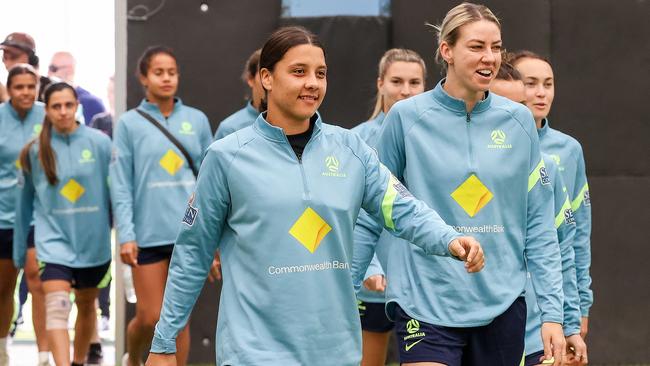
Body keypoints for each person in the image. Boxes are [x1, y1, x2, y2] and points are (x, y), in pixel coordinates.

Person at [145, 26, 484, 366]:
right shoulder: (226, 157)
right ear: (266, 77)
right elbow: (192, 254)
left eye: (320, 73)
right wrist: (163, 343)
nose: (312, 83)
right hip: (253, 353)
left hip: (335, 352)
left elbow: (403, 209)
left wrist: (450, 240)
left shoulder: (352, 149)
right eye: (298, 71)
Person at [352, 3, 568, 366]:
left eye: (496, 47)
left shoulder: (518, 120)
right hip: (424, 300)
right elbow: (372, 210)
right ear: (446, 50)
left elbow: (539, 225)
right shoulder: (406, 118)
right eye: (477, 46)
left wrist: (553, 315)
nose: (489, 57)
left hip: (501, 304)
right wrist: (347, 291)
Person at [111, 46, 213, 366]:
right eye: (158, 72)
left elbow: (209, 182)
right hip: (146, 236)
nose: (166, 78)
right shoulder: (128, 124)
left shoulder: (196, 120)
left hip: (188, 235)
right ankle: (133, 357)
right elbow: (121, 184)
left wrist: (210, 233)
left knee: (177, 317)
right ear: (143, 78)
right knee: (150, 315)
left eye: (172, 72)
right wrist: (126, 235)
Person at [491, 61, 588, 365]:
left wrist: (573, 315)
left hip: (540, 320)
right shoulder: (457, 158)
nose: (540, 94)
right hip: (479, 317)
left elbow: (569, 243)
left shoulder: (559, 156)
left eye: (548, 83)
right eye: (531, 83)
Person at [13, 82, 112, 366]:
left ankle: (78, 361)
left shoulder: (100, 143)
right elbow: (23, 208)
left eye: (69, 105)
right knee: (57, 308)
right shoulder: (33, 151)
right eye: (56, 106)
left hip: (94, 244)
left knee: (85, 306)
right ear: (48, 110)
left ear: (77, 106)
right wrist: (21, 251)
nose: (63, 111)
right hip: (53, 243)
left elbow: (118, 193)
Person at [352, 48, 427, 366]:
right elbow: (351, 213)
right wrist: (369, 267)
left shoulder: (435, 140)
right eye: (397, 81)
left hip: (423, 282)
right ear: (380, 83)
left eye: (415, 82)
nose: (406, 90)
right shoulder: (356, 140)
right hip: (373, 286)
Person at [0, 64, 49, 366]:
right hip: (3, 217)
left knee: (38, 280)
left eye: (31, 86)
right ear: (9, 89)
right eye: (19, 87)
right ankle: (3, 347)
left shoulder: (48, 116)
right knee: (4, 287)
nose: (26, 92)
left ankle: (44, 355)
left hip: (38, 216)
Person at [213, 48, 263, 140]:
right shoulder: (230, 128)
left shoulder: (295, 123)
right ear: (251, 79)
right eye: (265, 75)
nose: (270, 82)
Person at [48, 51, 107, 124]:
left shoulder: (92, 103)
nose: (49, 73)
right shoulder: (46, 98)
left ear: (70, 70)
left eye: (53, 68)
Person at [0, 32, 52, 101]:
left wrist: (5, 97)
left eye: (14, 57)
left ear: (31, 59)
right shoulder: (5, 88)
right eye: (5, 58)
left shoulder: (49, 87)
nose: (7, 63)